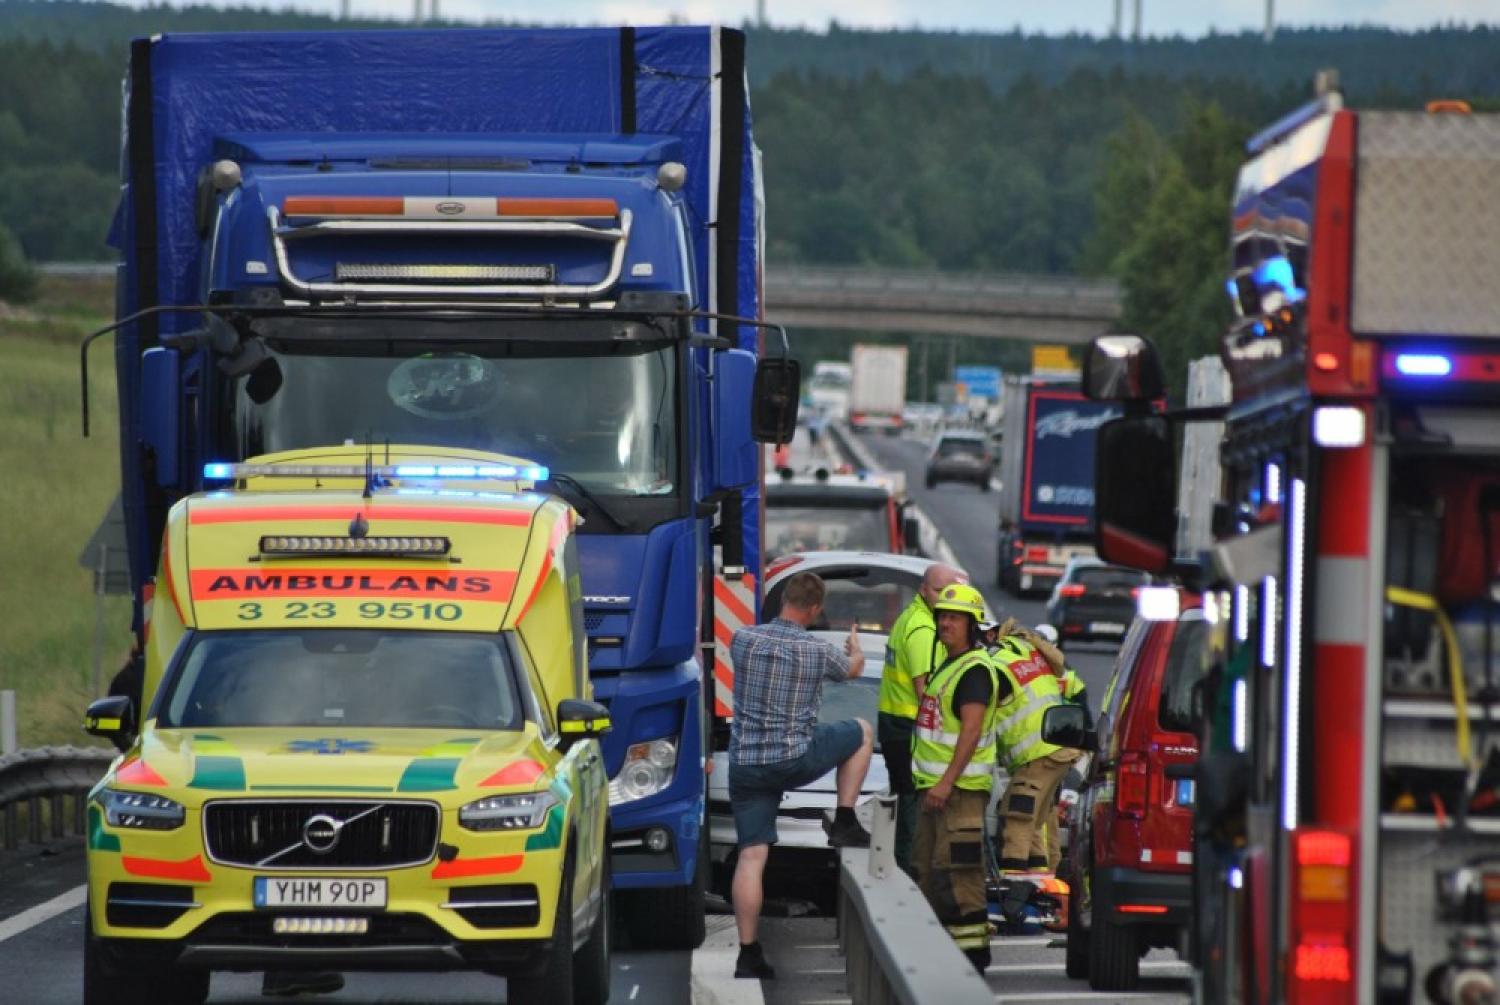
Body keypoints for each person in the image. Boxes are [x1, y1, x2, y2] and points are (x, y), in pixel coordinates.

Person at [728, 571, 874, 979]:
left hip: (747, 766)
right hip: (793, 759)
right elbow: (853, 671)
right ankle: (845, 819)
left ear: (783, 601)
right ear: (815, 609)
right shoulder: (817, 651)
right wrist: (855, 649)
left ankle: (748, 953)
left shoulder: (742, 639)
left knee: (751, 855)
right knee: (863, 730)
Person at [910, 583, 1008, 974]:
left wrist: (946, 782)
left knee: (960, 874)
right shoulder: (949, 666)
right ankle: (937, 953)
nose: (946, 624)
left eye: (954, 618)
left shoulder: (974, 670)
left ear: (972, 625)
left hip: (958, 791)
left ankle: (973, 958)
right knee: (929, 872)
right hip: (934, 790)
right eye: (942, 617)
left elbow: (970, 730)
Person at [877, 563, 964, 875]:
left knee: (905, 801)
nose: (944, 597)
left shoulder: (910, 617)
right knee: (914, 806)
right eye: (938, 591)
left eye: (949, 591)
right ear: (923, 589)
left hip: (895, 723)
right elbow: (925, 689)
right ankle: (910, 871)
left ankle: (905, 866)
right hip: (909, 727)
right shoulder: (924, 630)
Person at [991, 624, 1085, 875]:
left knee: (1017, 817)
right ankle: (1039, 878)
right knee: (1033, 823)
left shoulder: (994, 662)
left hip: (1037, 752)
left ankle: (1016, 883)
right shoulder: (1026, 651)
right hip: (1057, 748)